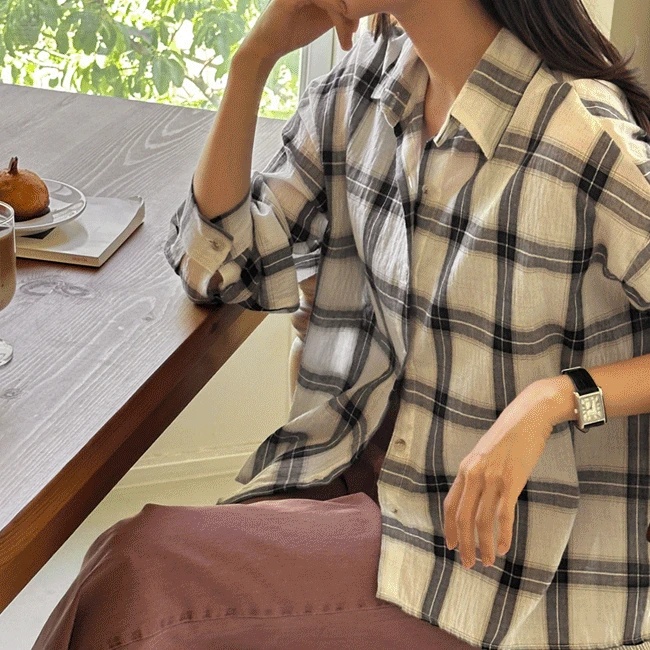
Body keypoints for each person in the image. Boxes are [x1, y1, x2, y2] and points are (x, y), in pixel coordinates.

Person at [33, 0, 650, 648]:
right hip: (363, 478)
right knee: (138, 580)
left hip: (494, 556)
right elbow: (217, 266)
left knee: (139, 574)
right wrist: (253, 60)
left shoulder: (578, 132)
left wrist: (553, 399)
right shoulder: (376, 81)